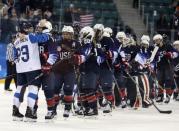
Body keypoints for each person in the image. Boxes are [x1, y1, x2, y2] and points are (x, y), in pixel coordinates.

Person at [12, 21, 50, 121]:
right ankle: (29, 113)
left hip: (20, 69)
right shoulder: (31, 37)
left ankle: (15, 112)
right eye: (30, 28)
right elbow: (45, 38)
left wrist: (20, 63)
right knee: (33, 89)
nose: (32, 30)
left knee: (19, 89)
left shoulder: (16, 41)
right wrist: (46, 31)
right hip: (32, 68)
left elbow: (14, 57)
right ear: (26, 29)